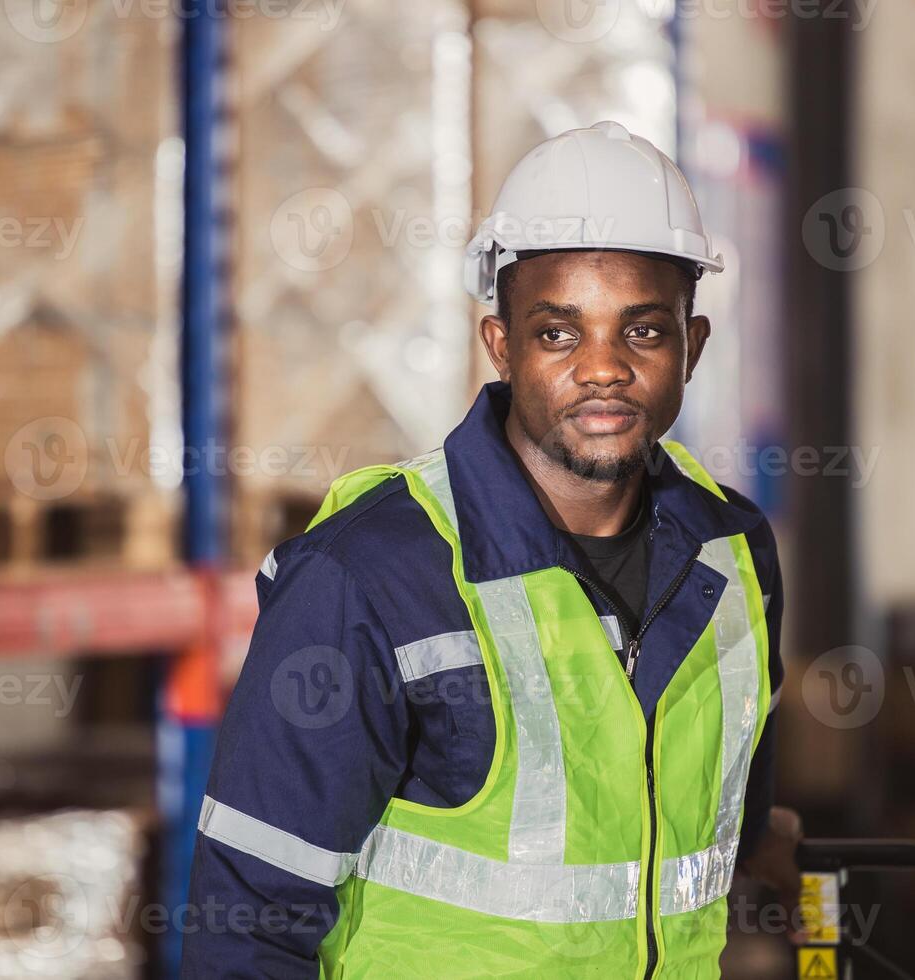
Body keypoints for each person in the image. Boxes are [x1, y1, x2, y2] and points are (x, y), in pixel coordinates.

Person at [184, 121, 803, 978]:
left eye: (644, 332)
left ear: (692, 348)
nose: (603, 368)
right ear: (501, 346)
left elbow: (726, 831)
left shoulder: (734, 553)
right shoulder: (366, 578)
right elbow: (244, 929)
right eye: (558, 333)